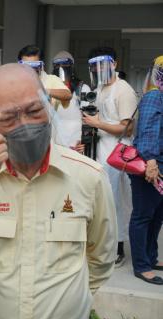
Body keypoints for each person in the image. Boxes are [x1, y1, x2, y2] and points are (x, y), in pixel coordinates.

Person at [0, 63, 117, 319]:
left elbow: (101, 258)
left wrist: (71, 303)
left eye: (34, 111)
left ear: (49, 104)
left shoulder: (89, 176)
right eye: (8, 118)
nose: (25, 125)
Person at [83, 46, 138, 267]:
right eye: (95, 66)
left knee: (116, 201)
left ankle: (118, 248)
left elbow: (128, 128)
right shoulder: (100, 87)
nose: (99, 69)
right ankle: (102, 244)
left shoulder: (124, 90)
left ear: (114, 64)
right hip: (101, 149)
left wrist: (98, 124)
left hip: (118, 152)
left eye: (103, 65)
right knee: (100, 200)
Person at [128, 56, 163, 285]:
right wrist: (151, 162)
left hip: (159, 165)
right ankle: (141, 265)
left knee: (157, 216)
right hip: (149, 166)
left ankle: (151, 257)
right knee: (143, 216)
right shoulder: (154, 96)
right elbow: (148, 130)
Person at [52, 50, 91, 152]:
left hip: (75, 145)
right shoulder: (49, 89)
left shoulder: (82, 89)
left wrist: (85, 142)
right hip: (54, 146)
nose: (61, 67)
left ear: (72, 66)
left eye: (65, 64)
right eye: (57, 65)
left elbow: (89, 120)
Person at [18, 45, 72, 109]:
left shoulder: (51, 79)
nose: (30, 69)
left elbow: (67, 95)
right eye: (26, 65)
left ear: (42, 66)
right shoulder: (13, 81)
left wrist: (45, 91)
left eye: (34, 65)